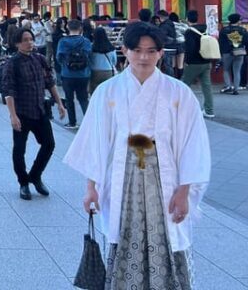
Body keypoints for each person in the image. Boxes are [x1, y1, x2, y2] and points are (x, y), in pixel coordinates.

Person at [64, 22, 210, 289]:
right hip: (122, 175)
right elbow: (96, 142)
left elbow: (193, 145)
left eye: (151, 51)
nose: (144, 57)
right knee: (125, 234)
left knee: (167, 235)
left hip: (165, 176)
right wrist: (91, 187)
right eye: (137, 50)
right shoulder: (107, 91)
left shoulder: (179, 93)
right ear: (124, 51)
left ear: (161, 53)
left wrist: (185, 191)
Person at [1, 28, 66, 201]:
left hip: (40, 110)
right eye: (25, 40)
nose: (29, 42)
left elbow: (50, 82)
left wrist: (60, 103)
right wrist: (12, 115)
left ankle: (35, 175)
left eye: (31, 39)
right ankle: (23, 182)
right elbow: (8, 90)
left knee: (49, 144)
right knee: (19, 149)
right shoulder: (12, 63)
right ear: (17, 43)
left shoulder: (40, 59)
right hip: (22, 111)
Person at [56, 19, 93, 130]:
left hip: (67, 74)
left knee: (69, 98)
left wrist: (64, 65)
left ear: (68, 27)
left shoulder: (63, 41)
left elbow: (58, 57)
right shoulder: (86, 41)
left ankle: (72, 122)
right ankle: (88, 121)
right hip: (83, 74)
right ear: (80, 28)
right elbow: (89, 55)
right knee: (83, 98)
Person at [182, 10, 215, 118]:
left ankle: (179, 109)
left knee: (183, 85)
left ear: (187, 18)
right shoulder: (204, 30)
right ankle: (209, 111)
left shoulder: (189, 32)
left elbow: (190, 49)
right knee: (207, 87)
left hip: (193, 63)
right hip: (206, 61)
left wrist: (186, 61)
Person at [219, 13, 247, 94]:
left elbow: (220, 42)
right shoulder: (243, 30)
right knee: (237, 71)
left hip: (227, 52)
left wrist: (221, 53)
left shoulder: (224, 30)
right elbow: (246, 42)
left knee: (226, 70)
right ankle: (236, 89)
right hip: (240, 52)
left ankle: (228, 86)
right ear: (238, 20)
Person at [89, 26, 118, 95]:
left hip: (94, 72)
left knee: (95, 93)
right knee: (107, 92)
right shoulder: (111, 48)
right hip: (108, 72)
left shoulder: (91, 47)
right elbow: (114, 61)